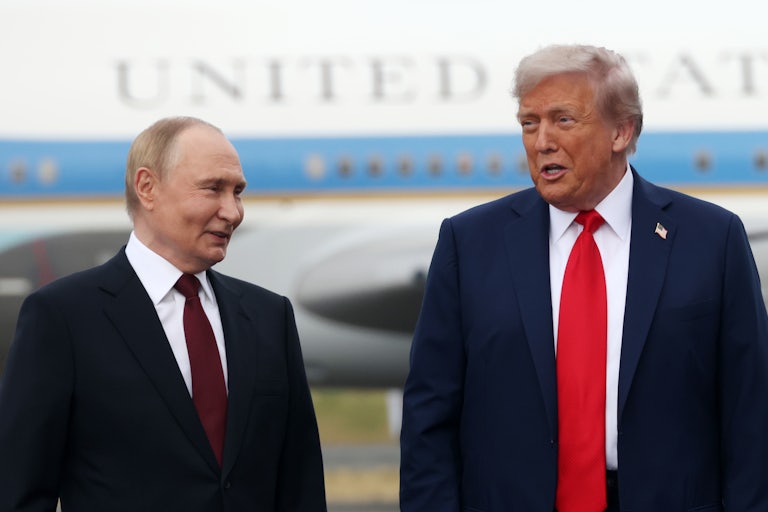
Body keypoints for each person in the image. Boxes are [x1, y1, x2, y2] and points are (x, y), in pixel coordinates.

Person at [400, 44, 768, 511]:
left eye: (564, 120)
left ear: (621, 131)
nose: (541, 141)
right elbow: (429, 417)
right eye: (529, 123)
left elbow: (751, 413)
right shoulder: (470, 244)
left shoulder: (711, 240)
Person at [0, 117, 327, 511]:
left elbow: (300, 485)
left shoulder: (269, 317)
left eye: (237, 192)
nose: (233, 211)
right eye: (212, 189)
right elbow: (18, 489)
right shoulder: (62, 317)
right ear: (147, 188)